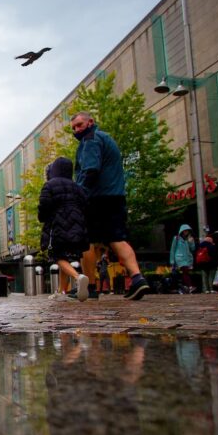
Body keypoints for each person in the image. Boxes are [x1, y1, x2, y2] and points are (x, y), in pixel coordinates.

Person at [71, 112, 150, 300]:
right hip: (116, 196)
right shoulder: (106, 138)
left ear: (91, 122)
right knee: (117, 238)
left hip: (97, 198)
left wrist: (79, 193)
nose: (76, 130)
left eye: (79, 125)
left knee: (86, 242)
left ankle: (89, 287)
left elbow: (90, 169)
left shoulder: (91, 139)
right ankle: (138, 278)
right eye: (73, 127)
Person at [37, 156, 90, 300]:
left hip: (58, 225)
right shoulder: (77, 187)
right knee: (65, 257)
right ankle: (61, 291)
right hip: (78, 226)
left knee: (57, 255)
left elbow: (44, 206)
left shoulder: (50, 185)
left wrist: (42, 218)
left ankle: (78, 278)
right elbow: (86, 205)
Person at [169, 224, 196, 294]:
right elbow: (172, 249)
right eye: (185, 231)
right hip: (179, 258)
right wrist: (172, 261)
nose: (186, 232)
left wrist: (191, 242)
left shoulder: (189, 239)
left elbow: (193, 249)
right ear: (182, 231)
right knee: (185, 271)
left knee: (185, 273)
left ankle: (184, 288)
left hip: (187, 259)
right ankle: (190, 286)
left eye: (187, 231)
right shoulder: (176, 238)